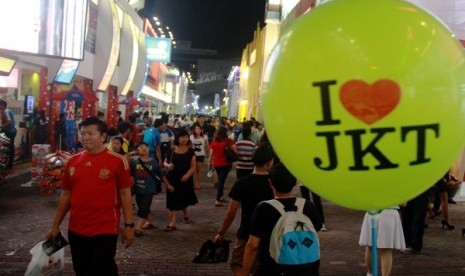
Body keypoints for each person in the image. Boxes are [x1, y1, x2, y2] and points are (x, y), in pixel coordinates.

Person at [46, 116, 134, 275]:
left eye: (90, 133)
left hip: (105, 227)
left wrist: (129, 225)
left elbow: (125, 195)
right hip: (76, 228)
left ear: (103, 136)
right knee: (81, 269)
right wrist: (55, 225)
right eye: (82, 133)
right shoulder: (73, 161)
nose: (85, 137)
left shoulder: (118, 161)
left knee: (103, 268)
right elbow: (66, 196)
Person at [240, 163, 322, 276]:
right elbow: (314, 233)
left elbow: (253, 245)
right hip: (306, 269)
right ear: (295, 183)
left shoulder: (263, 209)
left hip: (273, 268)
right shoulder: (309, 206)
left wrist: (245, 272)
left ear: (270, 183)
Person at [214, 145, 274, 275]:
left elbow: (231, 213)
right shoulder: (274, 184)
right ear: (269, 162)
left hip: (245, 234)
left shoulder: (242, 183)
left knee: (240, 268)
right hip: (269, 238)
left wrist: (221, 233)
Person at [130, 142, 173, 236]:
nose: (144, 148)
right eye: (141, 147)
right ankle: (149, 222)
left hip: (149, 190)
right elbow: (132, 175)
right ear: (137, 150)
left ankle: (138, 228)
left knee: (144, 208)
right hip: (138, 189)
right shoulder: (134, 161)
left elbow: (160, 175)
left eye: (146, 147)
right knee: (142, 206)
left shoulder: (153, 161)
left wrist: (168, 185)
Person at [164, 129, 198, 231]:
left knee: (183, 198)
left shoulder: (190, 151)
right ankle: (172, 223)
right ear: (177, 138)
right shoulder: (171, 150)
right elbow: (165, 163)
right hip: (172, 178)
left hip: (185, 178)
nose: (184, 139)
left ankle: (185, 214)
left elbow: (193, 166)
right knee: (172, 199)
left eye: (186, 137)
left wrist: (187, 175)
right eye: (182, 137)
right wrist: (168, 165)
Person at [359, 208, 405, 276]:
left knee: (370, 246)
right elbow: (404, 203)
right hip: (389, 213)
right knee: (386, 249)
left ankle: (370, 274)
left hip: (372, 211)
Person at [208, 127, 238, 207]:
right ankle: (217, 200)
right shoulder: (228, 141)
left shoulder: (214, 141)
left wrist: (209, 164)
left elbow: (211, 154)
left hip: (216, 164)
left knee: (221, 180)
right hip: (226, 164)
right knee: (221, 181)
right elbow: (235, 150)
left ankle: (220, 197)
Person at [0, 99, 17, 169]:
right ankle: (9, 163)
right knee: (10, 148)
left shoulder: (6, 111)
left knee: (8, 148)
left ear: (3, 105)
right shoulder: (8, 111)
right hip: (12, 131)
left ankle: (8, 164)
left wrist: (1, 126)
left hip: (9, 132)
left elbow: (9, 122)